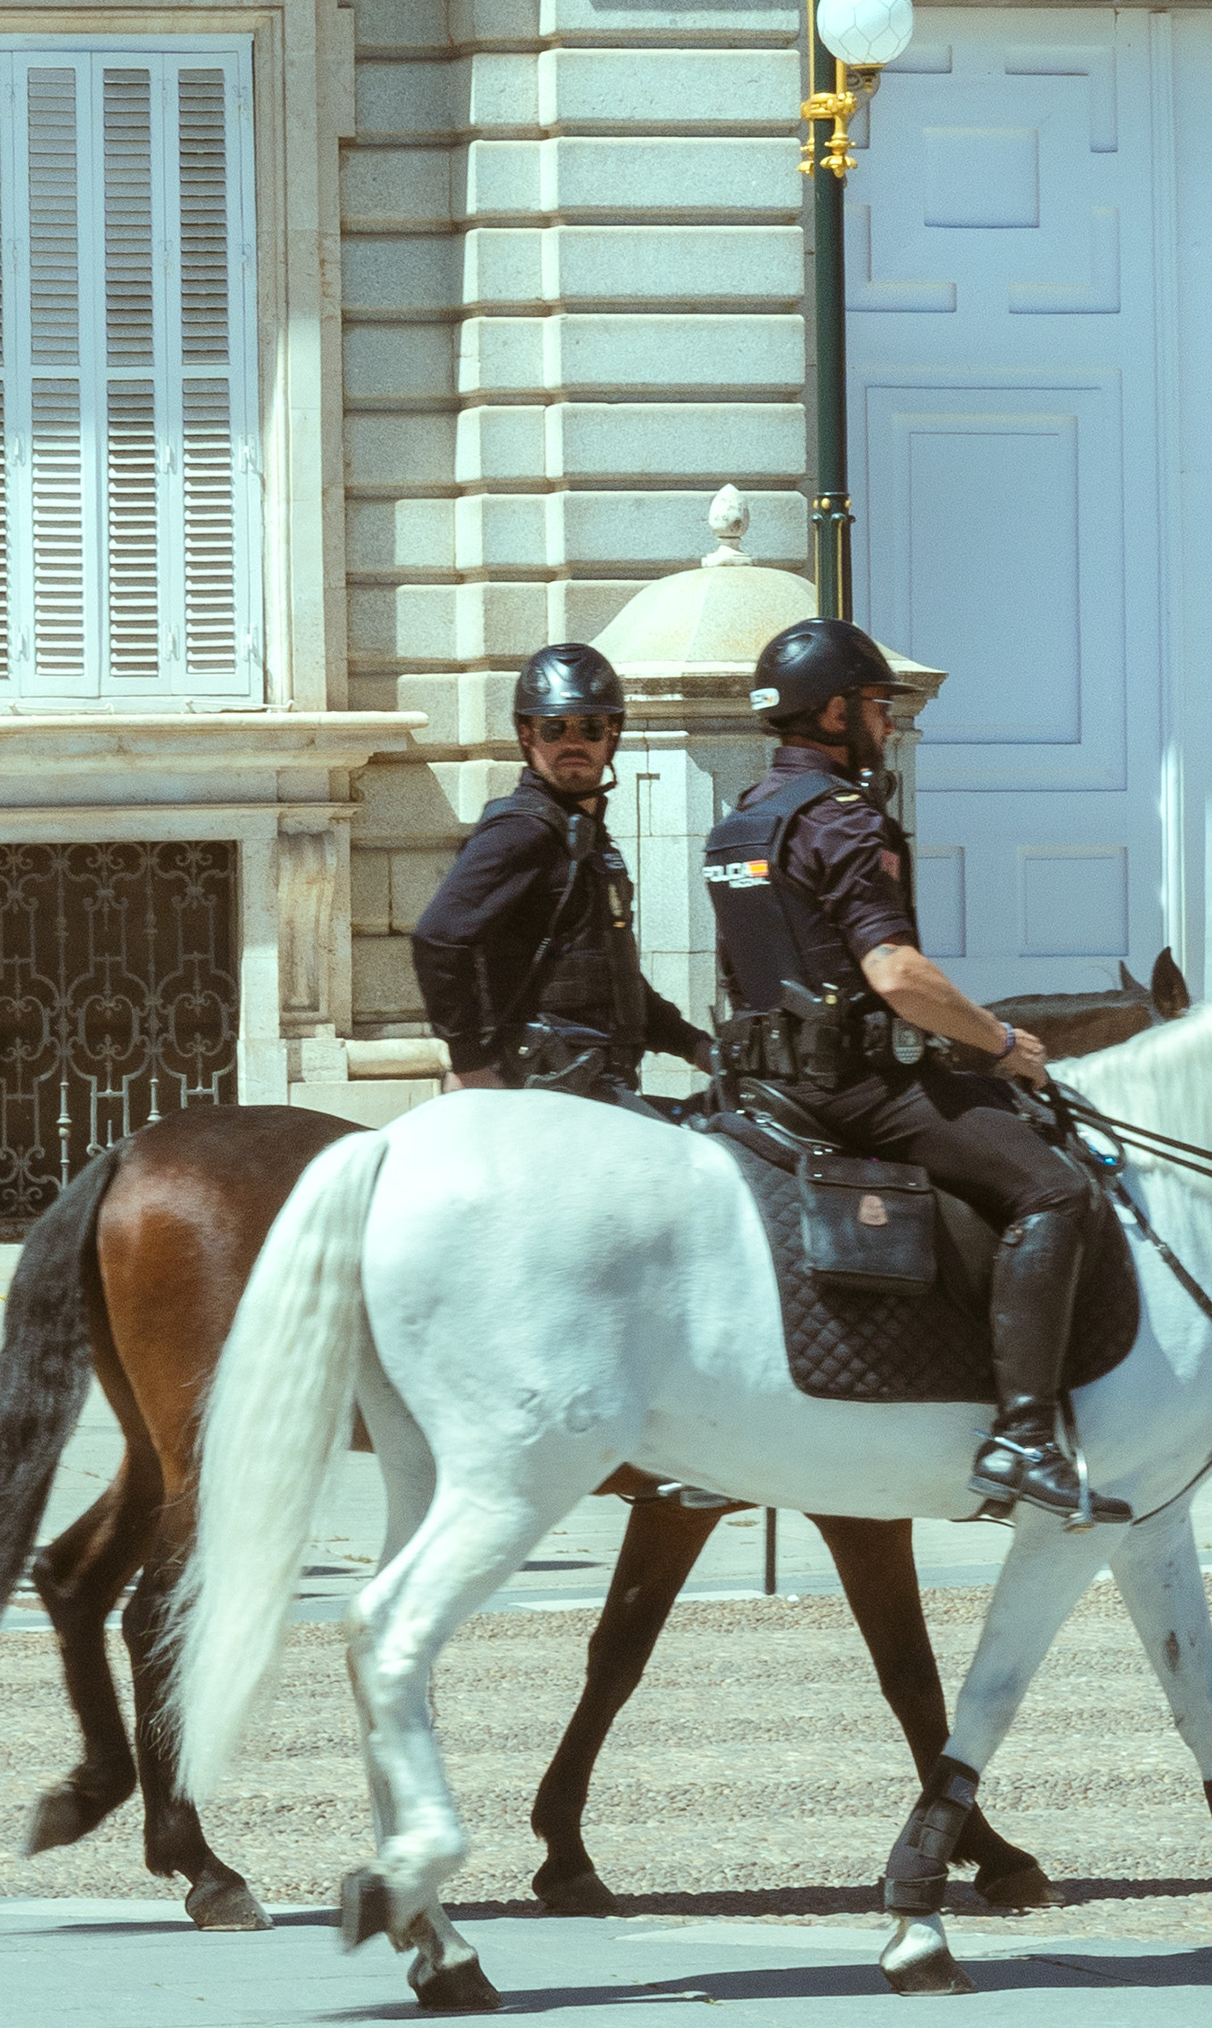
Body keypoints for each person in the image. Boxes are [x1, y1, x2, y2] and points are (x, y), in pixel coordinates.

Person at [704, 614, 1125, 1527]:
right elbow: (896, 975)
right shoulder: (840, 820)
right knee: (1053, 1189)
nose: (888, 725)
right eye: (878, 707)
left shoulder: (740, 821)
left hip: (760, 1085)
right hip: (851, 1085)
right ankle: (1022, 1434)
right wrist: (1002, 1045)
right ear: (836, 713)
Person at [409, 640, 714, 1100]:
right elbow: (437, 937)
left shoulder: (586, 839)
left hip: (595, 1082)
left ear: (612, 735)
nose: (573, 742)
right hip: (544, 1089)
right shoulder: (522, 830)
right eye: (554, 729)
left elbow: (610, 980)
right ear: (527, 736)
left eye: (590, 727)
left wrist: (699, 1047)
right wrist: (470, 1063)